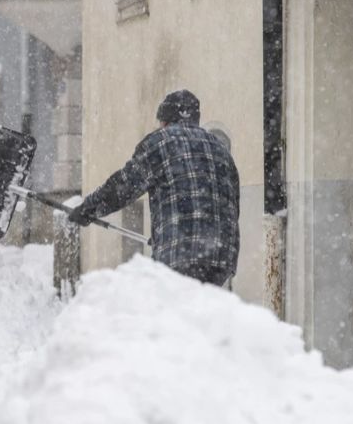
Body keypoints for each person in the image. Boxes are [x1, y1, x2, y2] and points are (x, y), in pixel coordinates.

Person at [69, 90, 240, 287]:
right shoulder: (221, 150)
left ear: (166, 121)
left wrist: (87, 210)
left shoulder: (161, 141)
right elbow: (233, 207)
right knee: (196, 313)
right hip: (221, 258)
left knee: (166, 311)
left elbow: (123, 187)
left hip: (180, 254)